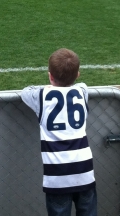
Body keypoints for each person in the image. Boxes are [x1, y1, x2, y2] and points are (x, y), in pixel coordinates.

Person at [21, 49, 97, 216]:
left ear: (50, 76)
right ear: (78, 74)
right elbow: (81, 85)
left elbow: (25, 92)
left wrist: (49, 86)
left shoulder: (40, 96)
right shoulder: (82, 91)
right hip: (85, 173)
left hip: (57, 179)